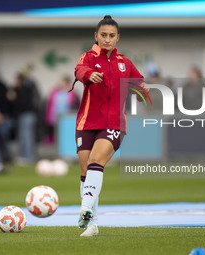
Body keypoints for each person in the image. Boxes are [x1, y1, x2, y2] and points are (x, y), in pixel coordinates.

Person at [72, 15, 147, 237]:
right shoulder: (87, 57)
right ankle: (92, 224)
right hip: (86, 122)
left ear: (118, 38)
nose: (107, 39)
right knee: (85, 170)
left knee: (96, 161)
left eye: (111, 36)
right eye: (103, 35)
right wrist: (89, 75)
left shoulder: (124, 62)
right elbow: (79, 71)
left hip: (114, 123)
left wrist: (143, 89)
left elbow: (140, 83)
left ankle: (85, 208)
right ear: (96, 36)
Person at [9, 73, 40, 165]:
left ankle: (29, 157)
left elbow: (23, 102)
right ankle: (23, 156)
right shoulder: (17, 90)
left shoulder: (27, 89)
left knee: (27, 137)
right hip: (21, 115)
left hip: (28, 114)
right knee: (22, 136)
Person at [45, 75, 79, 144]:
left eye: (62, 81)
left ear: (66, 82)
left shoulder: (72, 91)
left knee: (64, 133)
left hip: (66, 117)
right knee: (55, 133)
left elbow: (74, 104)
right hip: (54, 116)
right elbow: (50, 104)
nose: (60, 82)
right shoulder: (54, 91)